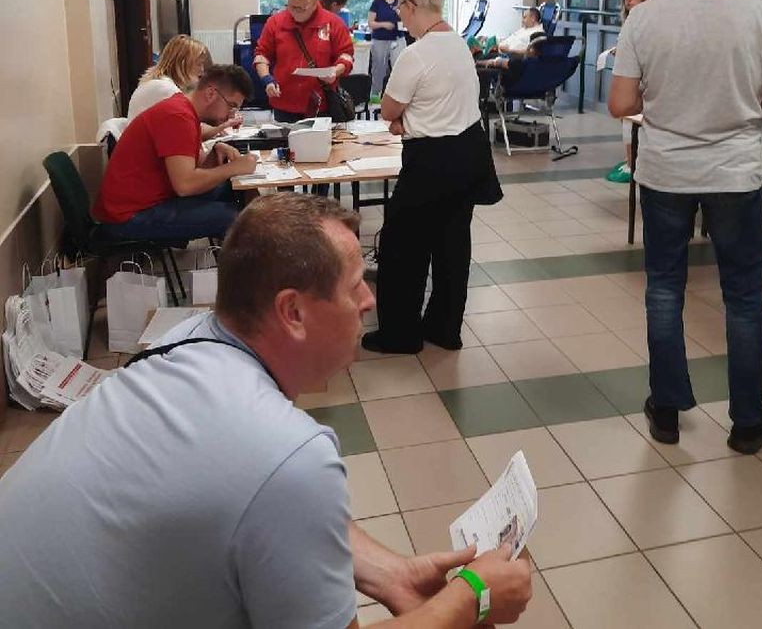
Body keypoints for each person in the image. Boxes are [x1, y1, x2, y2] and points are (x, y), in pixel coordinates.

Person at [0, 194, 533, 628]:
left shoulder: (186, 340)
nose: (369, 300)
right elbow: (280, 480)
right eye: (354, 286)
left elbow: (261, 503)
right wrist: (472, 596)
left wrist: (391, 573)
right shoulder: (288, 454)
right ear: (292, 311)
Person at [609, 0, 762, 455]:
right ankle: (748, 421)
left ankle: (668, 409)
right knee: (744, 296)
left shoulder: (645, 18)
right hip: (737, 173)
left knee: (664, 287)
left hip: (666, 171)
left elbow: (621, 104)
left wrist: (667, 95)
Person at [362, 0, 503, 354]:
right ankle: (444, 328)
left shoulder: (416, 54)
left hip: (431, 161)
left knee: (402, 247)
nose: (400, 17)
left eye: (401, 9)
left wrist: (403, 121)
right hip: (469, 154)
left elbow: (388, 109)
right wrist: (409, 118)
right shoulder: (459, 44)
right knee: (451, 245)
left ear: (411, 6)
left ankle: (400, 334)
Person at [94, 64, 257, 241]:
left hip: (145, 203)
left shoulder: (183, 110)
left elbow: (192, 173)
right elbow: (185, 185)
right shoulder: (177, 117)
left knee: (227, 189)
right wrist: (234, 168)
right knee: (235, 218)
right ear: (211, 93)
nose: (230, 115)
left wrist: (216, 150)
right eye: (231, 106)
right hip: (127, 217)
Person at [253, 0, 354, 123]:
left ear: (314, 3)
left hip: (320, 103)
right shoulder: (275, 22)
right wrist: (267, 79)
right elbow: (262, 54)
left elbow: (346, 55)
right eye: (291, 6)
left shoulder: (333, 23)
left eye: (300, 8)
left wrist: (336, 71)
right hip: (284, 101)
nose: (294, 12)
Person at [127, 33, 242, 140]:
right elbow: (191, 129)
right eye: (198, 64)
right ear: (183, 63)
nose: (202, 70)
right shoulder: (164, 89)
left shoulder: (161, 83)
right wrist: (222, 126)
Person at [606, 0, 652, 183]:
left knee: (629, 119)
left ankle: (633, 162)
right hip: (631, 79)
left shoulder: (647, 22)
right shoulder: (629, 21)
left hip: (642, 80)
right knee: (626, 121)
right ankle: (630, 159)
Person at [367, 0, 404, 100]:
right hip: (380, 40)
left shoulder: (400, 2)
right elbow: (370, 23)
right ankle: (375, 95)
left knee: (399, 67)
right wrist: (384, 24)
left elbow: (408, 19)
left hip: (397, 39)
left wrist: (401, 13)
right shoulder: (377, 2)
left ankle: (397, 96)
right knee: (379, 68)